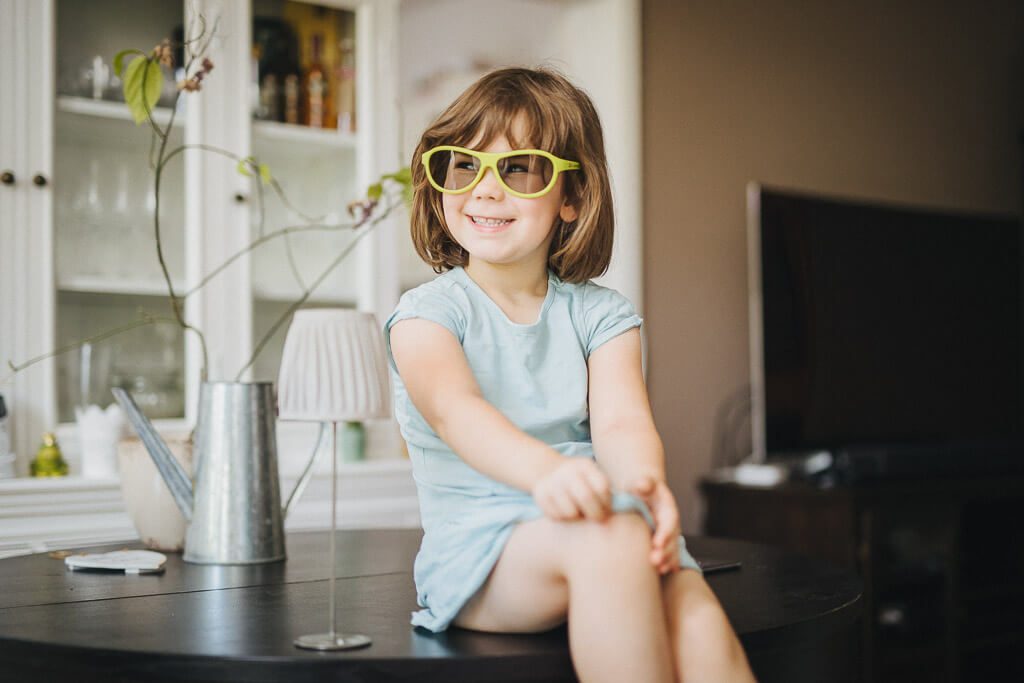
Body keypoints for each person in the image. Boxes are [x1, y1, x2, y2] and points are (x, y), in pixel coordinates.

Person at [384, 67, 756, 683]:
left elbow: (621, 421)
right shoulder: (427, 314)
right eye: (464, 165)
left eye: (518, 168)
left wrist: (643, 485)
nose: (484, 190)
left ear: (572, 196)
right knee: (611, 544)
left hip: (602, 516)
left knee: (692, 608)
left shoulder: (602, 314)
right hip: (486, 548)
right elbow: (456, 412)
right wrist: (548, 473)